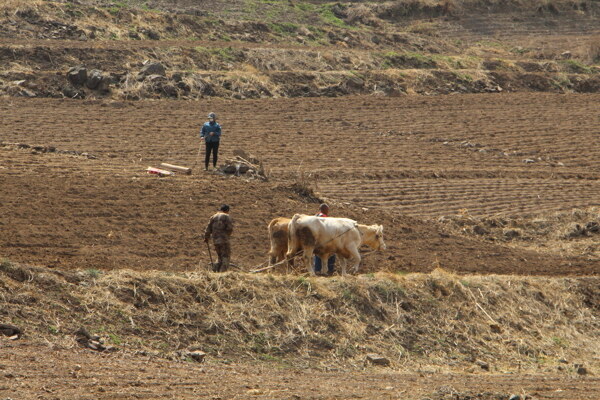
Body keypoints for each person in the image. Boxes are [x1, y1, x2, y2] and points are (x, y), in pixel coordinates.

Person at [204, 204, 234, 272]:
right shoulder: (226, 216)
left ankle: (215, 271)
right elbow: (230, 228)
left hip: (215, 241)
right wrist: (227, 236)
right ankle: (222, 274)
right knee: (225, 257)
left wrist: (206, 237)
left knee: (219, 257)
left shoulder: (213, 217)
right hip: (224, 240)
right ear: (227, 210)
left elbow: (208, 229)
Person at [314, 203, 336, 276]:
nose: (328, 211)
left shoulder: (315, 216)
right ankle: (329, 270)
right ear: (324, 209)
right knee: (332, 254)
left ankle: (317, 270)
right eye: (327, 209)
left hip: (316, 239)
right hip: (324, 239)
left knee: (317, 255)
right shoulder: (324, 217)